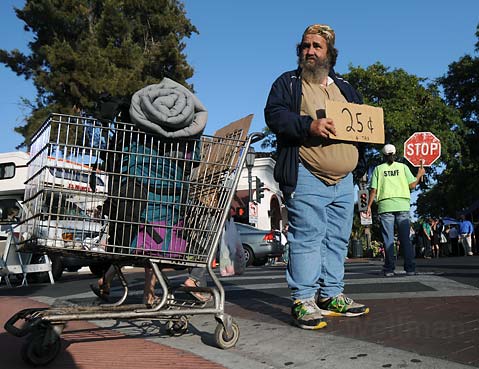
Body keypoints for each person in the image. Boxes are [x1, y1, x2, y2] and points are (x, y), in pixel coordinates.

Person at [264, 23, 369, 330]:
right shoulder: (289, 83)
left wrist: (358, 168)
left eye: (316, 46)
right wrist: (307, 125)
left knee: (336, 239)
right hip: (307, 172)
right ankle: (304, 299)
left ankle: (332, 294)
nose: (309, 51)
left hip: (344, 180)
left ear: (330, 53)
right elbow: (275, 115)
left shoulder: (346, 87)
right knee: (307, 237)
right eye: (305, 46)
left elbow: (363, 128)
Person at [366, 144, 425, 277]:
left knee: (388, 240)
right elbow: (412, 185)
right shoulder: (403, 167)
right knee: (405, 240)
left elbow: (373, 190)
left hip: (385, 206)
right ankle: (409, 268)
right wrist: (419, 174)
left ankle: (389, 269)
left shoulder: (378, 169)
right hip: (402, 204)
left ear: (383, 155)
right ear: (395, 153)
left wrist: (369, 206)